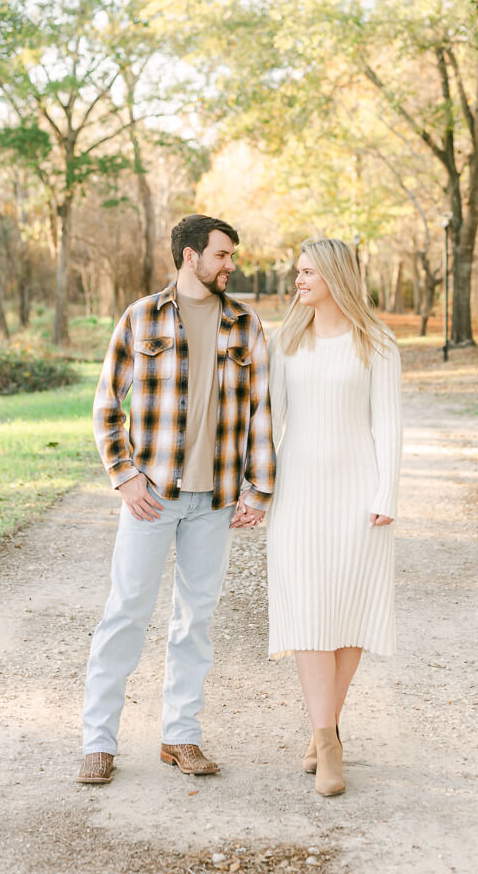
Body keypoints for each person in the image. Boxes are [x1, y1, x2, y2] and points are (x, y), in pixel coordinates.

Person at [76, 214, 275, 785]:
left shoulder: (246, 324)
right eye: (221, 255)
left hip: (214, 500)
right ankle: (99, 743)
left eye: (231, 255)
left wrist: (257, 489)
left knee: (196, 621)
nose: (230, 264)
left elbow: (263, 412)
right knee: (125, 615)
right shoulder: (141, 317)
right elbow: (106, 404)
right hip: (152, 498)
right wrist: (125, 476)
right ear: (190, 256)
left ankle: (180, 737)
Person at [266, 237, 402, 797]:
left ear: (335, 276)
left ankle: (326, 728)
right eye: (297, 272)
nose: (298, 281)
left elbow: (389, 424)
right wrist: (259, 489)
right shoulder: (286, 340)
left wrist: (386, 494)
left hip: (357, 492)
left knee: (349, 615)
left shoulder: (376, 341)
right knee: (308, 616)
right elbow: (267, 423)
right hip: (296, 494)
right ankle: (327, 742)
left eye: (306, 272)